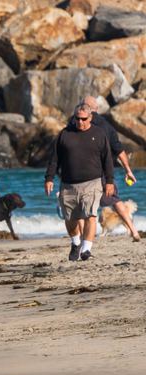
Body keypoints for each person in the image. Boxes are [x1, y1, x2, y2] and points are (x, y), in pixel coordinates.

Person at [44, 102, 115, 261]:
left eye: (83, 119)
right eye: (77, 118)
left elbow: (108, 160)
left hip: (93, 182)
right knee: (70, 218)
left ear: (90, 117)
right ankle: (76, 243)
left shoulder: (99, 134)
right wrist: (49, 178)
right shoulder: (64, 134)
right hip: (68, 184)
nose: (80, 122)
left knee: (91, 215)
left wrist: (109, 181)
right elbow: (54, 159)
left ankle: (86, 249)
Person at [82, 95, 140, 242]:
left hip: (85, 170)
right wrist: (128, 170)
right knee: (115, 200)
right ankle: (133, 231)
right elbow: (119, 150)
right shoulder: (107, 126)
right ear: (96, 109)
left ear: (86, 108)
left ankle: (84, 236)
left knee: (83, 203)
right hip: (104, 171)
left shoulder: (78, 121)